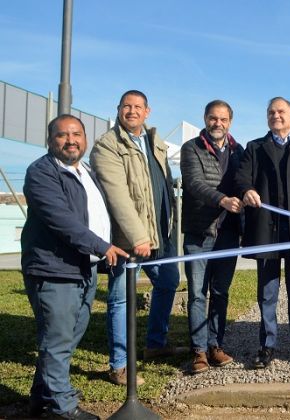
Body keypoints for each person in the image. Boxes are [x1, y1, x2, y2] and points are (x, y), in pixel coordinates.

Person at [22, 115, 128, 419]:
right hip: (53, 271)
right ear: (50, 140)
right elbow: (61, 221)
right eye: (62, 135)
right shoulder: (41, 172)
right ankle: (63, 408)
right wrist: (102, 247)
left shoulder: (86, 172)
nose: (71, 140)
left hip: (84, 269)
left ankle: (43, 399)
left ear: (85, 138)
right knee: (56, 340)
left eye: (77, 134)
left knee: (66, 339)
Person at [90, 90, 184, 386]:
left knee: (168, 282)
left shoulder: (155, 143)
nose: (132, 111)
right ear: (118, 110)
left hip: (160, 236)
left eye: (138, 107)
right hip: (129, 241)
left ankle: (155, 344)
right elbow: (118, 196)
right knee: (120, 300)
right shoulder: (107, 146)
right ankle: (119, 364)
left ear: (147, 111)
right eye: (126, 106)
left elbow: (164, 187)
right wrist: (137, 237)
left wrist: (167, 228)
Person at [233, 97, 290, 368]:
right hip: (267, 232)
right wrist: (246, 190)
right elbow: (241, 177)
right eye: (271, 112)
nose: (276, 116)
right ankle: (267, 345)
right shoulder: (254, 147)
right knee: (267, 293)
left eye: (281, 112)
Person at [180, 100, 245, 374]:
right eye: (212, 118)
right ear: (205, 119)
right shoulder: (191, 148)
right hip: (199, 233)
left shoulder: (239, 150)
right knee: (197, 294)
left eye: (223, 119)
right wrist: (222, 200)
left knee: (221, 292)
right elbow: (194, 183)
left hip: (228, 233)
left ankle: (215, 345)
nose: (217, 123)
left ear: (230, 122)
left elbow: (245, 181)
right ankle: (198, 351)